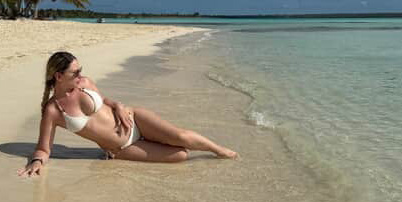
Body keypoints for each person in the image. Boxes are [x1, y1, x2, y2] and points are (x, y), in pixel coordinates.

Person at [18, 51, 238, 177]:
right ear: (58, 76)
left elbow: (104, 101)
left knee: (180, 137)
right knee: (180, 156)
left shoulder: (85, 83)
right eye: (75, 72)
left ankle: (218, 150)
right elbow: (43, 148)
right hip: (122, 148)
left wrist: (119, 106)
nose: (80, 75)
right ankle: (196, 150)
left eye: (80, 70)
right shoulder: (53, 111)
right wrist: (37, 162)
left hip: (135, 120)